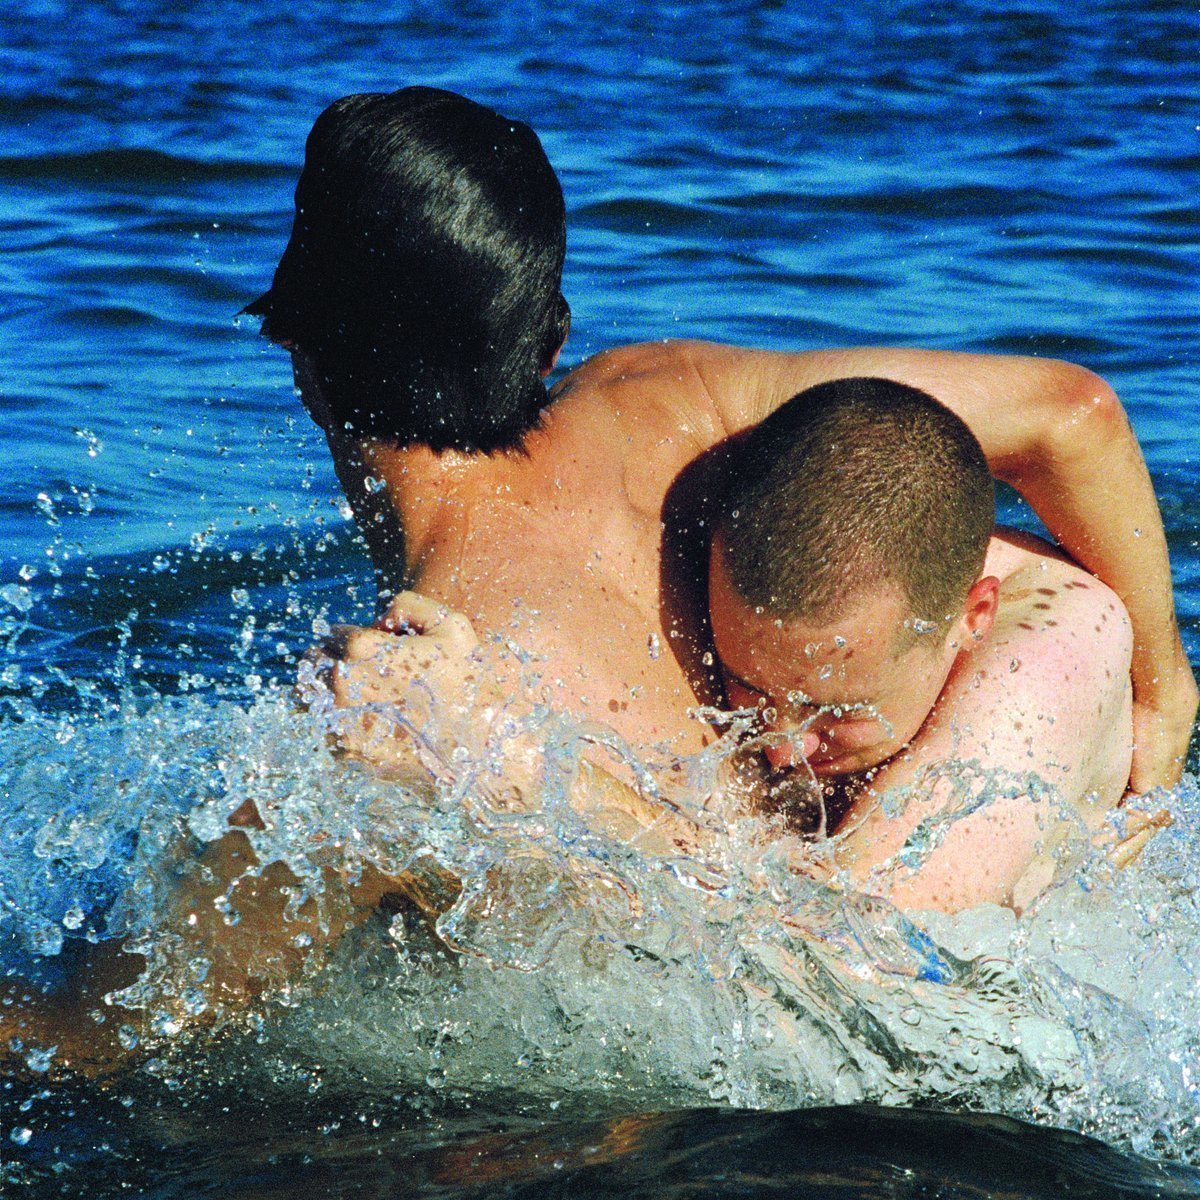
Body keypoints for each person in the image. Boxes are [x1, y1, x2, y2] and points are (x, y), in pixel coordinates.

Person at [256, 87, 1195, 789]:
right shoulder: (678, 397)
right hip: (1050, 700)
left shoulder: (452, 645)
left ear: (292, 343)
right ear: (551, 343)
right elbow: (1072, 415)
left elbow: (752, 938)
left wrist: (504, 769)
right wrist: (1166, 696)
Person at [707, 376, 1154, 912]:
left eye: (835, 711)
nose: (781, 748)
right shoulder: (783, 606)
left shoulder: (1052, 658)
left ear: (974, 617)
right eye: (747, 687)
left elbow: (848, 955)